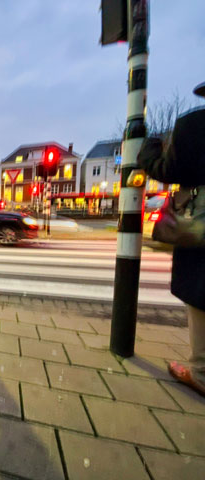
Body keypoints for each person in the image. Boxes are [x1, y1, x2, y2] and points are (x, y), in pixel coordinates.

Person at [137, 81, 205, 396]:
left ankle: (202, 372)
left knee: (201, 294)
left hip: (200, 225)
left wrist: (148, 145)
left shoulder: (195, 126)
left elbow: (168, 168)